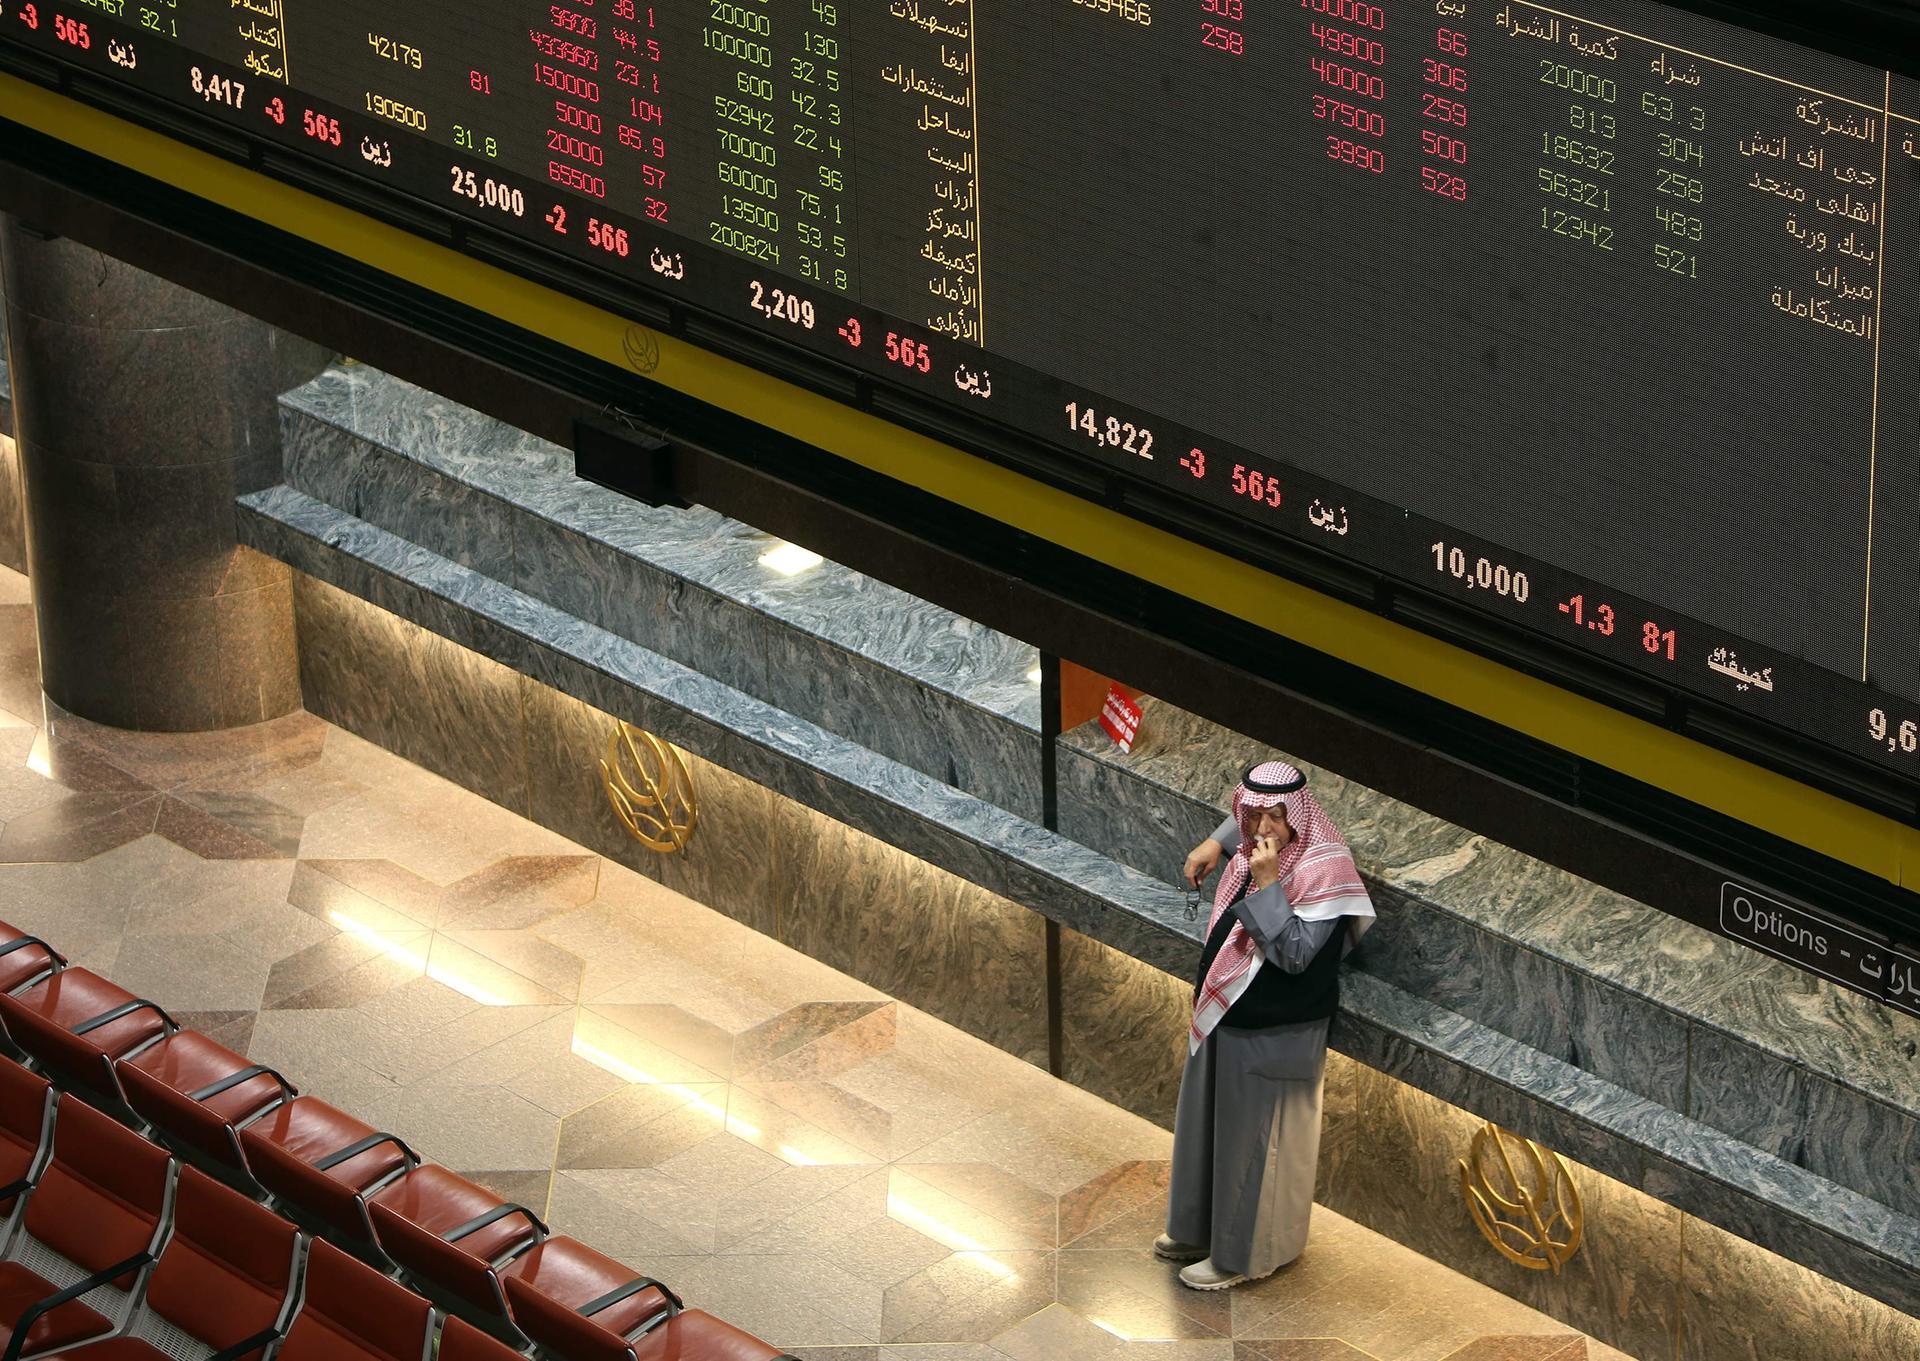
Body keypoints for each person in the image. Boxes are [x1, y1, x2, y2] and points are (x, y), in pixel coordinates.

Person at [1157, 759, 1374, 1290]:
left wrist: (1269, 884)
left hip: (1276, 1029)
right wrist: (1216, 842)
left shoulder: (1326, 868)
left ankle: (1243, 1258)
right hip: (1228, 1011)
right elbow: (1247, 819)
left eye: (1277, 816)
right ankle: (1197, 1230)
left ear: (1300, 814)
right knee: (1207, 1128)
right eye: (1254, 816)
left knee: (1257, 1147)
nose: (1263, 828)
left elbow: (1297, 955)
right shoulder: (1253, 839)